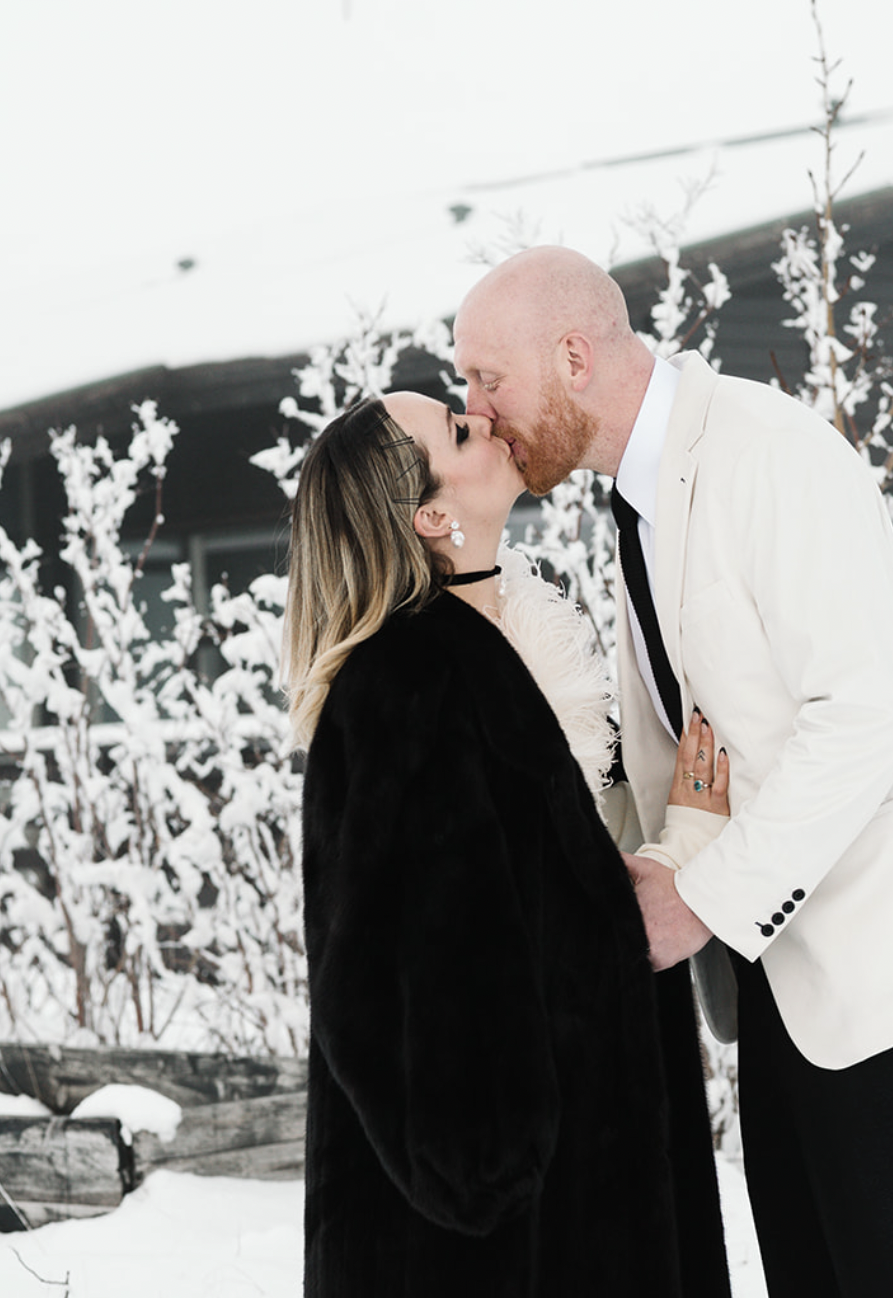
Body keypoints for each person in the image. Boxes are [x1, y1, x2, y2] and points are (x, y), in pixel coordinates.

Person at [452, 246, 893, 1298]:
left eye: (487, 376)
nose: (475, 408)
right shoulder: (637, 502)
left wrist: (698, 896)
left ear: (572, 355)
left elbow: (867, 712)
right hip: (778, 967)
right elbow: (710, 741)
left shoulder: (769, 454)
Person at [282, 391, 732, 1297]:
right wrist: (488, 1169)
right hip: (490, 1228)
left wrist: (688, 840)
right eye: (457, 431)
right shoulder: (398, 686)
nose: (484, 419)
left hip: (596, 1164)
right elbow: (377, 972)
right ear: (433, 516)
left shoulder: (539, 642)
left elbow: (571, 893)